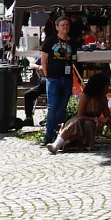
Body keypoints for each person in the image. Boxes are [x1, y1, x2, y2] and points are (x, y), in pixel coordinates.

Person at [47, 74, 111, 154]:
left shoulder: (103, 99)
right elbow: (80, 115)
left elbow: (108, 117)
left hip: (91, 125)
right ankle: (56, 145)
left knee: (88, 123)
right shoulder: (86, 96)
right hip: (79, 122)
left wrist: (105, 121)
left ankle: (61, 144)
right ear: (99, 87)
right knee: (76, 122)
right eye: (106, 87)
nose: (108, 89)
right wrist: (95, 119)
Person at [40, 16, 78, 146]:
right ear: (57, 27)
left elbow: (73, 59)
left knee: (62, 108)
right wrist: (47, 75)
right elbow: (43, 60)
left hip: (67, 79)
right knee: (52, 107)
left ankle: (59, 135)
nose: (65, 27)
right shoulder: (50, 41)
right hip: (53, 79)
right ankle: (48, 136)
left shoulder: (72, 43)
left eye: (67, 25)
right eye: (62, 25)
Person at [22, 58, 46, 127]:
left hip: (53, 83)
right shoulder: (43, 56)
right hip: (43, 84)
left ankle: (48, 119)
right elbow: (31, 64)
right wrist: (39, 67)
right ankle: (29, 118)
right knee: (28, 95)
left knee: (52, 98)